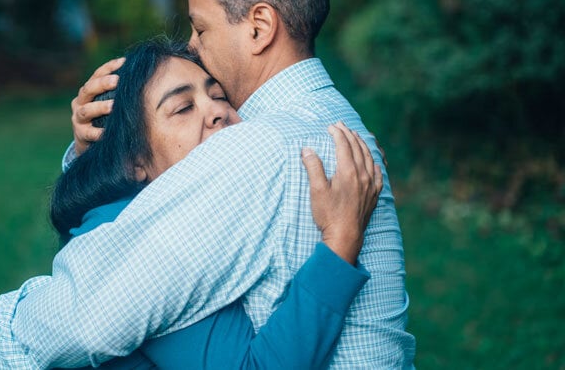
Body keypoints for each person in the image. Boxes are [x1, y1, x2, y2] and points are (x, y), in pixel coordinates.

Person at [0, 0, 416, 368]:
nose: (193, 46)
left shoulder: (258, 147)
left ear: (259, 27)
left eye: (201, 28)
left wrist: (13, 316)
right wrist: (97, 149)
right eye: (183, 105)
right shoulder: (333, 124)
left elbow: (82, 322)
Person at [39, 38, 380, 369]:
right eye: (183, 108)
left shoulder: (171, 211)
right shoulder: (151, 246)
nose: (218, 110)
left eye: (218, 95)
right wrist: (340, 240)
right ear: (133, 161)